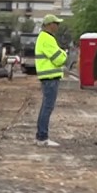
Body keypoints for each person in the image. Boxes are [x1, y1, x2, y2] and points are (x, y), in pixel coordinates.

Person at [33, 14, 67, 147]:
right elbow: (59, 59)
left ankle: (40, 136)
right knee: (47, 107)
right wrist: (64, 53)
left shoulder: (44, 37)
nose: (58, 26)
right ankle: (42, 137)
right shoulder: (47, 39)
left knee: (45, 107)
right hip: (50, 78)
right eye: (56, 23)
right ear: (49, 24)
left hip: (47, 77)